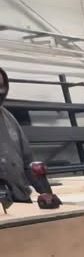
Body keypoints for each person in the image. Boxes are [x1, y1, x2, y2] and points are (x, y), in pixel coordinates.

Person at [0, 68, 33, 203]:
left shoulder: (9, 118)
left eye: (2, 86)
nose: (0, 91)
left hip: (19, 197)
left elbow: (28, 161)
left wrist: (45, 192)